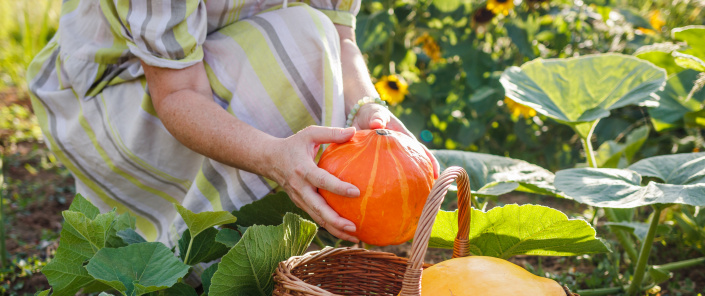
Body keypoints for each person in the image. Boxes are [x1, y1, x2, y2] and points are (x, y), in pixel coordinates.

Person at [28, 0, 438, 246]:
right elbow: (176, 92)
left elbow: (340, 37)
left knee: (310, 35)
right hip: (123, 98)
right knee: (301, 40)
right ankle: (215, 249)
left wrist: (366, 105)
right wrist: (271, 156)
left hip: (222, 66)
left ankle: (268, 237)